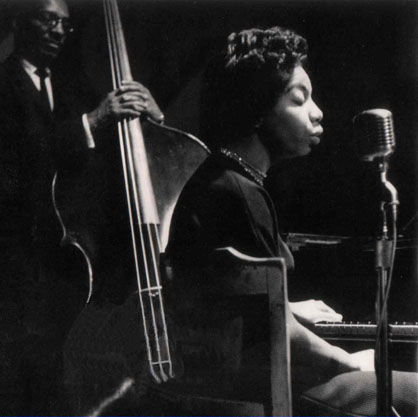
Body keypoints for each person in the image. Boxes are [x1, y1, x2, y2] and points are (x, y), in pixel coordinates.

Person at [166, 26, 418, 415]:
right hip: (265, 387)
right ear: (256, 109)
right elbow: (271, 329)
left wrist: (288, 305)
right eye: (299, 100)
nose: (318, 113)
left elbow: (231, 299)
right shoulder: (238, 193)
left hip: (245, 377)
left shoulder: (224, 180)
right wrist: (348, 361)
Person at [0, 0, 163, 413]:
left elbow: (110, 145)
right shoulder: (2, 83)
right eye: (48, 19)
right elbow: (22, 160)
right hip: (20, 260)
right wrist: (94, 119)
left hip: (67, 260)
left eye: (65, 25)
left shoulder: (69, 85)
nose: (57, 31)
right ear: (20, 21)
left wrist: (150, 112)